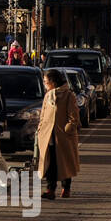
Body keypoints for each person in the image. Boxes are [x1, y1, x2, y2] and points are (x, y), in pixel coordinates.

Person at [35, 68, 80, 200]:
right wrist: (40, 128)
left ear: (53, 82)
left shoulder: (68, 95)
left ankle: (66, 188)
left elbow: (74, 116)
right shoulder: (48, 95)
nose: (45, 85)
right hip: (48, 135)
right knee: (50, 162)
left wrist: (69, 128)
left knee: (64, 162)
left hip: (63, 136)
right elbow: (43, 114)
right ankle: (50, 189)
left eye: (46, 82)